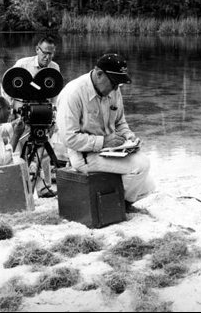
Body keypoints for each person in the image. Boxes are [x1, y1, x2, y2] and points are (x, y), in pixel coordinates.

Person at [56, 53, 155, 212]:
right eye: (114, 83)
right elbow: (69, 138)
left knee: (149, 186)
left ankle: (115, 200)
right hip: (83, 155)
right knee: (142, 165)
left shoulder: (114, 90)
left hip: (109, 151)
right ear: (99, 74)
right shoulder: (73, 93)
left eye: (119, 84)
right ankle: (119, 207)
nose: (116, 88)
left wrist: (129, 136)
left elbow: (120, 122)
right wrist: (104, 141)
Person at [1, 36, 60, 197]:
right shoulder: (22, 64)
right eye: (45, 53)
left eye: (51, 53)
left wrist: (53, 117)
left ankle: (44, 188)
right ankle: (21, 189)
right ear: (37, 50)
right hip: (21, 111)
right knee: (21, 151)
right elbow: (6, 86)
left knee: (45, 150)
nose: (47, 57)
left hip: (43, 112)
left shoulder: (55, 67)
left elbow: (55, 93)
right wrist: (10, 109)